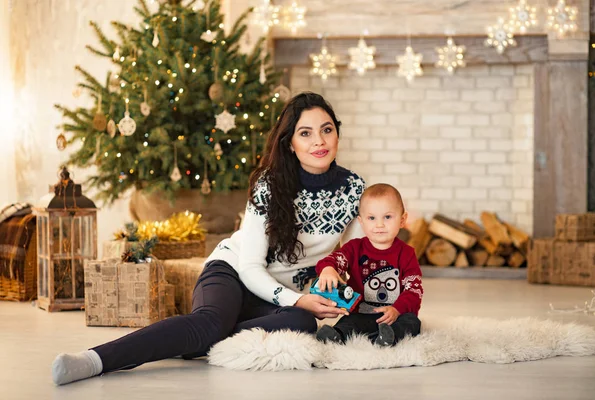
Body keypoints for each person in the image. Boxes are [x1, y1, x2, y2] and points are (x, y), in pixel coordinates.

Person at [51, 92, 366, 385]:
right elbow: (250, 267)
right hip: (233, 271)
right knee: (210, 324)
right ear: (289, 143)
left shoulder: (354, 189)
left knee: (304, 324)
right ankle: (94, 360)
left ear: (337, 133)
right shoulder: (269, 185)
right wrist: (297, 299)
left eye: (326, 130)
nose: (319, 141)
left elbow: (358, 254)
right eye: (305, 133)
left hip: (277, 297)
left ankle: (194, 340)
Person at [314, 183, 423, 347]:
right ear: (361, 222)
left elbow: (414, 290)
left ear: (402, 220)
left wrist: (397, 309)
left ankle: (388, 337)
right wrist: (328, 269)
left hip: (394, 316)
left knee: (412, 322)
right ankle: (336, 335)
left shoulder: (406, 253)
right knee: (349, 322)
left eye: (387, 217)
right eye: (372, 218)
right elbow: (334, 260)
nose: (379, 225)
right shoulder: (354, 248)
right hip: (362, 314)